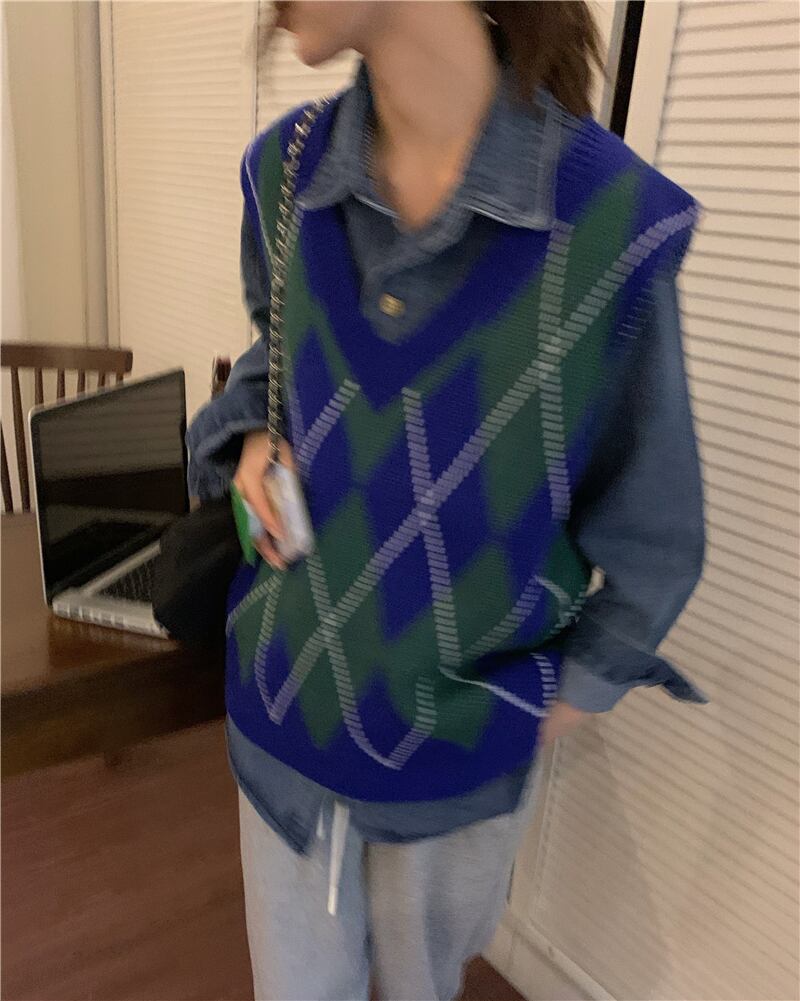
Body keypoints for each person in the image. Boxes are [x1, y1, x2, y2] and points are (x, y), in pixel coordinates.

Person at [186, 3, 707, 998]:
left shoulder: (610, 226)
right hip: (283, 711)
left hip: (460, 759)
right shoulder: (283, 172)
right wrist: (251, 434)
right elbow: (272, 344)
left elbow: (656, 526)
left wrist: (552, 702)